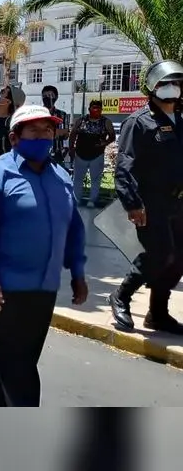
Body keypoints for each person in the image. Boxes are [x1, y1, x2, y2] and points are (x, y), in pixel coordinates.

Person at [0, 104, 88, 407]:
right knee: (19, 374)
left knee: (19, 362)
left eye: (48, 129)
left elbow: (74, 228)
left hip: (45, 288)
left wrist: (79, 273)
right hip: (7, 289)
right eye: (34, 130)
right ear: (15, 137)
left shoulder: (60, 176)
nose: (43, 136)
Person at [109, 60, 183, 335]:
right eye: (165, 83)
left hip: (178, 202)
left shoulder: (180, 121)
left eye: (176, 83)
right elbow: (124, 165)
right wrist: (132, 203)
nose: (171, 88)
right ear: (152, 87)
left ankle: (158, 314)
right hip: (151, 202)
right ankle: (121, 296)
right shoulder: (139, 121)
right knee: (159, 253)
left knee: (178, 260)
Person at [68, 99, 116, 207]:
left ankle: (92, 200)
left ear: (101, 110)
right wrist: (71, 148)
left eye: (98, 108)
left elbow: (112, 136)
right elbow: (73, 134)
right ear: (89, 109)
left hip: (97, 155)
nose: (96, 110)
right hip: (80, 154)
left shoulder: (106, 122)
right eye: (94, 108)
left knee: (95, 179)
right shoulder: (81, 120)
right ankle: (76, 199)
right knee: (78, 178)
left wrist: (105, 142)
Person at [41, 85, 70, 168]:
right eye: (45, 96)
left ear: (56, 97)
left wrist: (59, 132)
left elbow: (66, 135)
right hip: (40, 154)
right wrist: (57, 132)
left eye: (50, 95)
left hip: (57, 155)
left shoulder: (62, 115)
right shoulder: (37, 114)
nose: (47, 98)